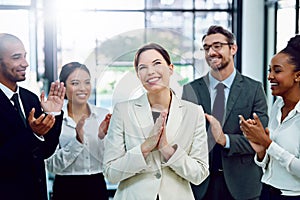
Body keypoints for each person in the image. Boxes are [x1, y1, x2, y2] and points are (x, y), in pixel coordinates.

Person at [103, 43, 209, 200]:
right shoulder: (123, 111)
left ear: (171, 68)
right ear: (138, 75)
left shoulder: (194, 112)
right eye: (142, 67)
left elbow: (199, 173)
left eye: (157, 63)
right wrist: (145, 148)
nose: (150, 72)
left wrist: (167, 149)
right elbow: (111, 173)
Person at [182, 25, 269, 200]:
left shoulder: (254, 89)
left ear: (233, 48)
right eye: (206, 48)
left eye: (217, 46)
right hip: (200, 186)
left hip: (242, 187)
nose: (211, 52)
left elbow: (262, 140)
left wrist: (224, 139)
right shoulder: (191, 89)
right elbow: (185, 137)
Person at [0, 33, 65, 200]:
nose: (25, 63)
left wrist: (53, 114)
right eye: (16, 57)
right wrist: (32, 134)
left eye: (25, 56)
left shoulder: (30, 98)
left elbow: (44, 152)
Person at [240, 35, 300, 199]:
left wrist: (268, 144)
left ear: (298, 76)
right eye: (269, 70)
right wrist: (261, 150)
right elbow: (270, 163)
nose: (269, 76)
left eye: (277, 71)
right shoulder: (277, 107)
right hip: (267, 191)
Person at [46, 62, 111, 200]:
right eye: (75, 83)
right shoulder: (54, 118)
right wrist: (77, 142)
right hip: (66, 189)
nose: (83, 88)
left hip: (97, 186)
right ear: (63, 86)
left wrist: (102, 136)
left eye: (87, 82)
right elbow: (51, 166)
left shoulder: (103, 115)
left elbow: (112, 160)